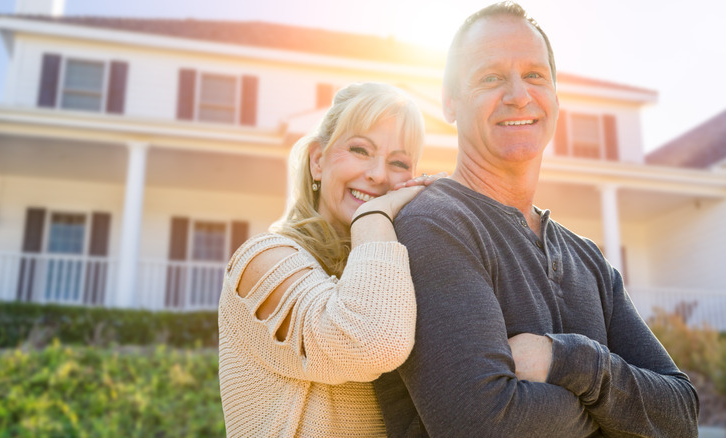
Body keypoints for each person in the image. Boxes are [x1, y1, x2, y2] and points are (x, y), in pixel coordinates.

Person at [374, 3, 699, 437]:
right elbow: (483, 425)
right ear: (450, 102)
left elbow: (680, 415)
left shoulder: (588, 260)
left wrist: (567, 360)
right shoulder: (434, 226)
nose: (518, 95)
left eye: (534, 75)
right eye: (491, 77)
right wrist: (616, 418)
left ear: (556, 96)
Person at [218, 82, 440, 437]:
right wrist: (374, 216)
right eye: (360, 149)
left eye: (398, 162)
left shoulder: (399, 277)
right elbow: (372, 342)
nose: (379, 175)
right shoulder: (261, 262)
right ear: (318, 161)